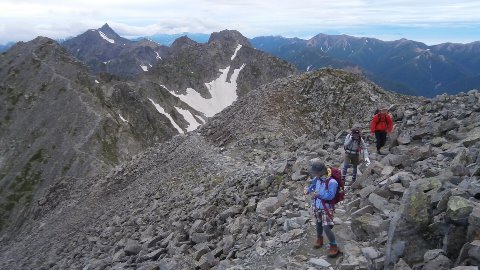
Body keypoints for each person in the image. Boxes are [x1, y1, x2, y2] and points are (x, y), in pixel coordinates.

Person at [304, 161, 340, 258]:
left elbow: (330, 196)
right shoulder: (317, 178)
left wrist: (318, 194)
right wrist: (308, 190)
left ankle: (333, 245)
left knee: (326, 227)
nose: (313, 174)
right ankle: (319, 239)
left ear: (321, 171)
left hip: (327, 207)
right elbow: (312, 187)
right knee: (318, 223)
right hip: (317, 205)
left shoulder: (332, 182)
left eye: (315, 172)